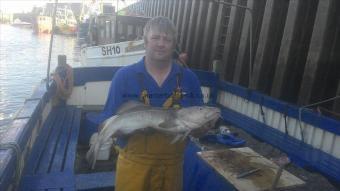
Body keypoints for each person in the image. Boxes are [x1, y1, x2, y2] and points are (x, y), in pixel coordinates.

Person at [100, 16, 209, 191]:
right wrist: (128, 127)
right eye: (155, 38)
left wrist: (203, 127)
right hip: (133, 168)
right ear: (145, 41)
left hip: (172, 169)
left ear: (174, 45)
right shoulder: (123, 77)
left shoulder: (189, 79)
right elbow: (107, 121)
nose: (161, 43)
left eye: (167, 39)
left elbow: (198, 128)